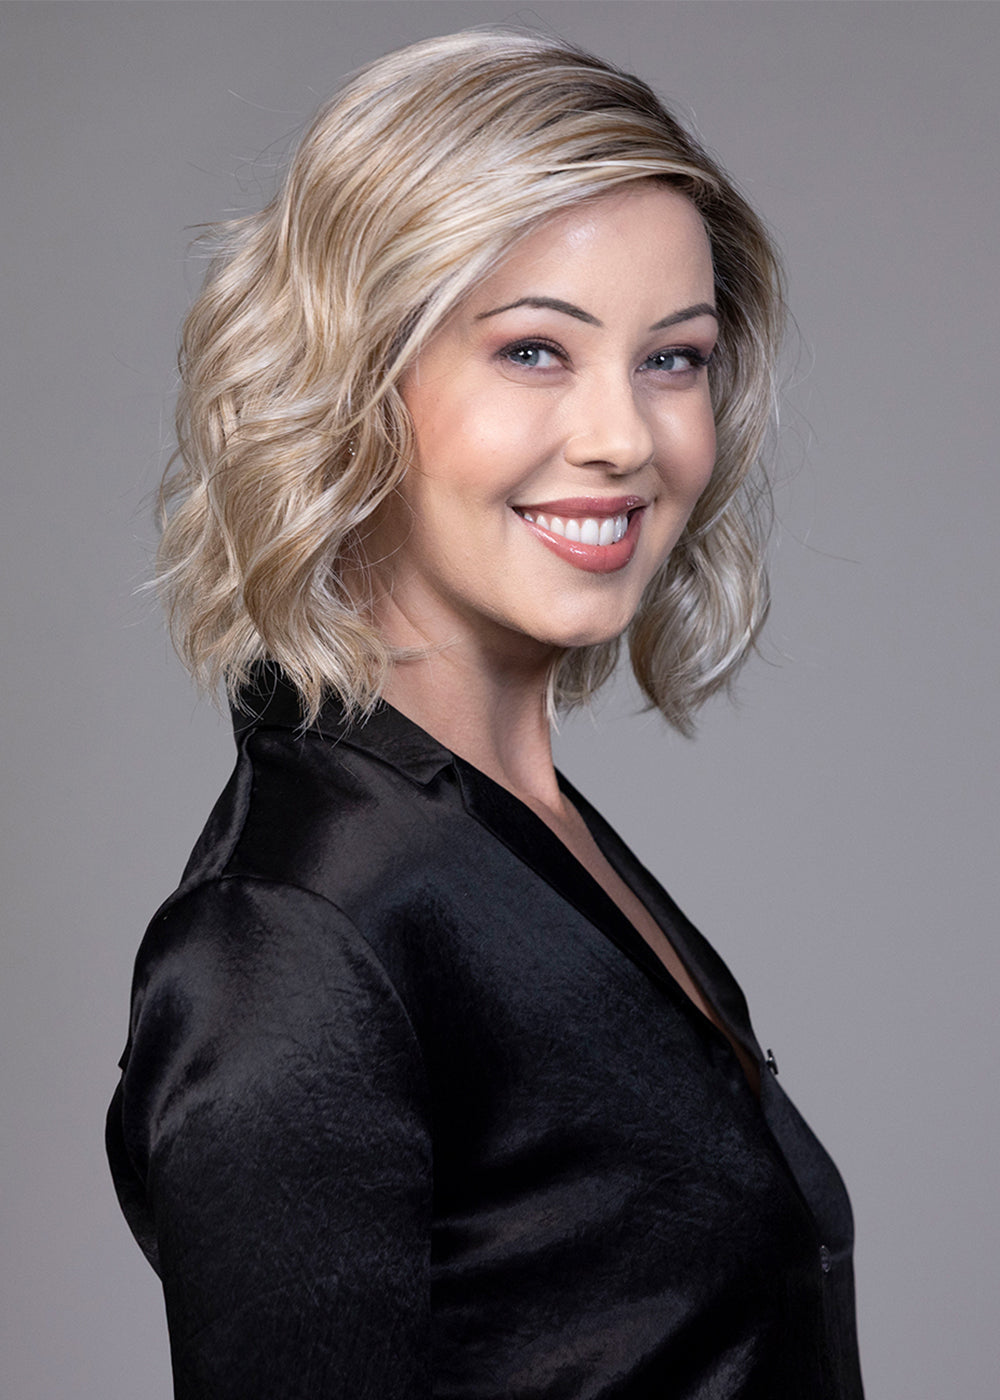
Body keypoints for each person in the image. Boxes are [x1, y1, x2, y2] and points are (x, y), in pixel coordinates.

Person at [106, 28, 864, 1399]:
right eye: (532, 350)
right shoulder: (297, 943)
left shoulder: (517, 832)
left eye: (673, 359)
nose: (623, 438)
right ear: (355, 380)